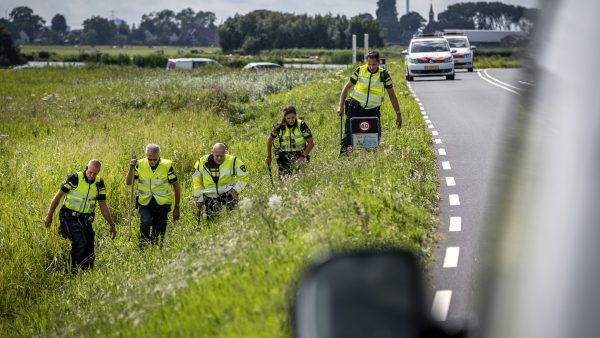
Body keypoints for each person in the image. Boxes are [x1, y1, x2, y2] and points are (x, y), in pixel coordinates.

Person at [44, 159, 116, 272]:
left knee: (89, 245)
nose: (92, 175)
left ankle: (86, 274)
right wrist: (49, 215)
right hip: (68, 217)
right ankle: (70, 273)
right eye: (90, 172)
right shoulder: (74, 178)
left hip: (85, 219)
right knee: (80, 242)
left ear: (98, 172)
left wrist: (111, 224)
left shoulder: (99, 183)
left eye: (95, 173)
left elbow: (103, 205)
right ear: (86, 168)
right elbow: (57, 197)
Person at [336, 51, 403, 154]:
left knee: (373, 142)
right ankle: (343, 160)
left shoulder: (384, 75)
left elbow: (392, 95)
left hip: (372, 112)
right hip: (355, 110)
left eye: (374, 64)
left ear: (379, 63)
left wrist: (398, 113)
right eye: (369, 64)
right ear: (366, 62)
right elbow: (346, 88)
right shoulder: (360, 71)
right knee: (348, 140)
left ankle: (369, 163)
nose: (371, 67)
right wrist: (340, 106)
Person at [126, 144, 180, 248]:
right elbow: (129, 182)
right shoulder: (139, 164)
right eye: (149, 159)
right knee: (145, 223)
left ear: (159, 156)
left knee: (159, 233)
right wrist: (131, 169)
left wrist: (177, 206)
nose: (152, 162)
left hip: (162, 204)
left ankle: (156, 250)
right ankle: (143, 248)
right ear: (146, 155)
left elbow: (176, 186)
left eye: (154, 159)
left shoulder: (167, 166)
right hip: (145, 202)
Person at [192, 143, 249, 221]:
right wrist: (199, 200)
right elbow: (197, 182)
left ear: (225, 153)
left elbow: (244, 176)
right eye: (217, 156)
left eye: (222, 156)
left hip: (228, 193)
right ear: (212, 153)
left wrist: (235, 190)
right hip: (211, 196)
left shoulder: (233, 161)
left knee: (233, 219)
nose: (219, 158)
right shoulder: (201, 162)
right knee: (212, 222)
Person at [266, 105, 315, 178]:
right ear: (284, 117)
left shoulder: (301, 125)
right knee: (284, 182)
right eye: (288, 118)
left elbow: (311, 143)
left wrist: (302, 158)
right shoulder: (279, 126)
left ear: (296, 115)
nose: (291, 120)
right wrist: (269, 156)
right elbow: (270, 140)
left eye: (293, 117)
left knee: (301, 180)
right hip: (284, 156)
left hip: (301, 154)